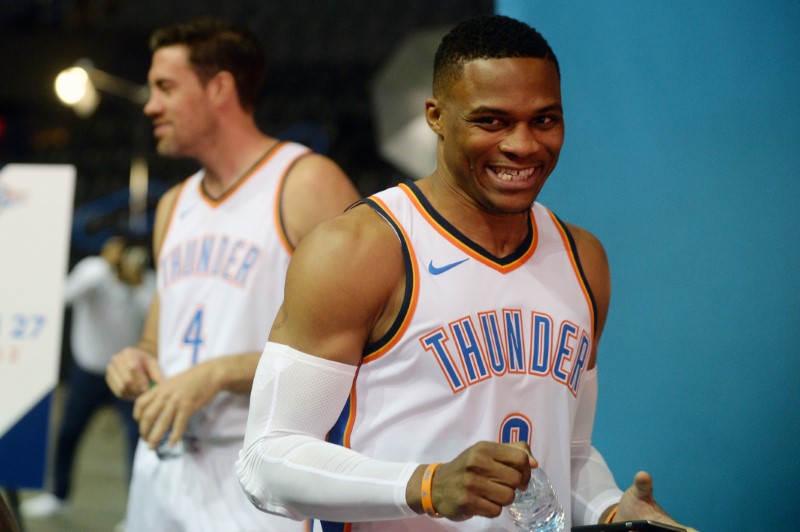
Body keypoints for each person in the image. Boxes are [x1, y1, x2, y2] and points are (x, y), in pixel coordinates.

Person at [236, 14, 699, 532]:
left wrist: (612, 508)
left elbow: (567, 454)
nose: (523, 145)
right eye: (492, 121)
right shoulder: (360, 249)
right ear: (435, 115)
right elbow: (266, 462)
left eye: (544, 119)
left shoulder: (582, 257)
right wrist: (428, 486)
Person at [104, 16, 360, 532]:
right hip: (161, 464)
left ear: (219, 87)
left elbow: (360, 345)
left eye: (165, 88)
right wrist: (136, 360)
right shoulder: (174, 203)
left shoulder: (305, 181)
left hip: (256, 473)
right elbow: (159, 337)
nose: (150, 105)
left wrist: (217, 373)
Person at [21, 237, 154, 522]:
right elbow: (65, 295)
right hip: (88, 372)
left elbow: (151, 316)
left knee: (136, 444)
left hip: (128, 376)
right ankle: (58, 496)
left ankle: (135, 515)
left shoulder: (146, 282)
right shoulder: (94, 271)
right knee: (68, 433)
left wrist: (134, 285)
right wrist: (103, 270)